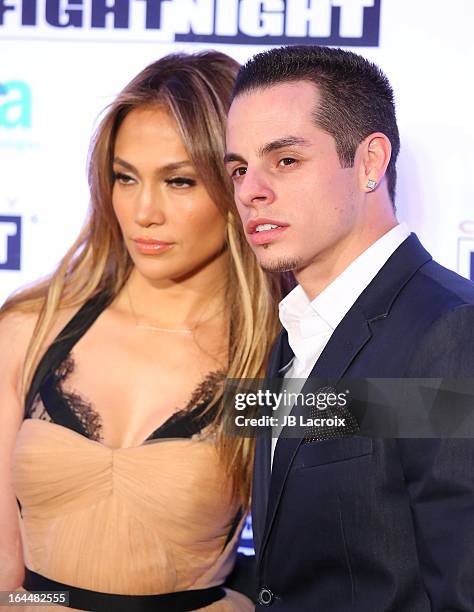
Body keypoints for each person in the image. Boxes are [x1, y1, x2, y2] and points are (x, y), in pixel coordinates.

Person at [0, 51, 281, 611]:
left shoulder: (269, 358)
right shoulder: (29, 330)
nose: (143, 211)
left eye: (179, 181)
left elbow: (435, 420)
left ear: (239, 185)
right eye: (125, 177)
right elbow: (6, 573)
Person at [225, 45, 474, 611]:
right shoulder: (295, 330)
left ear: (369, 163)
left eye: (285, 160)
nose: (249, 191)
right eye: (239, 168)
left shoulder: (451, 333)